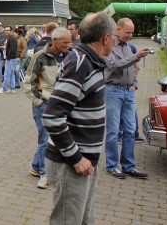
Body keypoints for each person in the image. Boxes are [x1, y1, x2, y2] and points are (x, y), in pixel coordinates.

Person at [42, 12, 116, 225]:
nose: (116, 40)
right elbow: (53, 117)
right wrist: (76, 158)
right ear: (105, 38)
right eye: (114, 36)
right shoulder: (80, 64)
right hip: (71, 163)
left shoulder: (91, 61)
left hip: (84, 160)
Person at [23, 27, 71, 190]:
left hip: (61, 106)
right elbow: (29, 82)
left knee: (51, 138)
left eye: (69, 42)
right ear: (54, 41)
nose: (68, 45)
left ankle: (36, 166)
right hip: (44, 105)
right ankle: (45, 174)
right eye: (65, 42)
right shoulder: (40, 57)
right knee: (47, 139)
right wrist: (39, 102)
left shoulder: (69, 57)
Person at [104, 18, 151, 180]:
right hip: (113, 91)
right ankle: (111, 165)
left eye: (132, 32)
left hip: (128, 92)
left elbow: (132, 67)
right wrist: (136, 56)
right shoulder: (109, 46)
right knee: (113, 130)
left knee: (130, 130)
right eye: (128, 32)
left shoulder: (128, 47)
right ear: (117, 29)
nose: (130, 35)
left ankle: (129, 166)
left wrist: (135, 83)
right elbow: (114, 66)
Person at [0, 26, 18, 94]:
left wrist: (7, 58)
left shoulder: (12, 39)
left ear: (11, 31)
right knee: (11, 73)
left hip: (11, 58)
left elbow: (13, 49)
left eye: (8, 30)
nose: (6, 31)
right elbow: (7, 48)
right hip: (10, 58)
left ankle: (3, 88)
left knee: (7, 73)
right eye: (5, 30)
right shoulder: (9, 38)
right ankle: (12, 88)